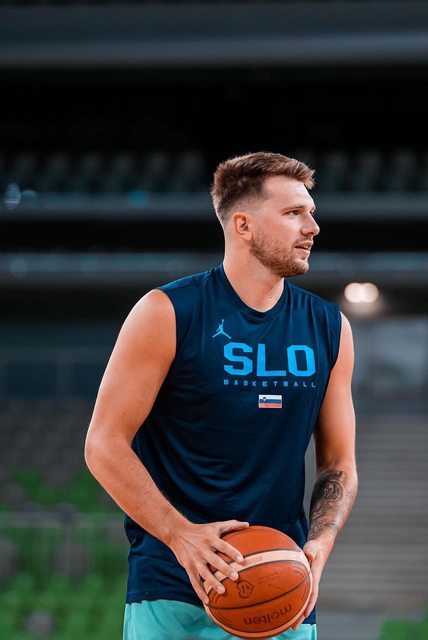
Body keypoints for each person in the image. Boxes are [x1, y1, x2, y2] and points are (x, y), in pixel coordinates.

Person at [84, 151, 358, 640]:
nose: (312, 227)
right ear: (243, 225)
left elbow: (338, 464)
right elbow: (103, 444)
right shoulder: (167, 312)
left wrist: (320, 543)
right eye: (293, 213)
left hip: (283, 590)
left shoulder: (328, 326)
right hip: (173, 587)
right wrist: (180, 535)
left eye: (311, 212)